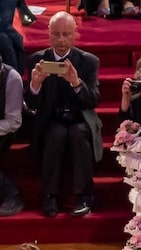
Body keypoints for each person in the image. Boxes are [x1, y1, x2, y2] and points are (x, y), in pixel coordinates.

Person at [24, 13, 103, 217]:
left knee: (78, 134)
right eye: (56, 35)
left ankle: (84, 196)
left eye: (66, 34)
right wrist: (35, 84)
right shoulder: (37, 60)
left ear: (75, 34)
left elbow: (93, 101)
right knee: (55, 134)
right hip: (51, 120)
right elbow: (31, 105)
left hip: (80, 118)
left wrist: (76, 83)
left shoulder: (88, 62)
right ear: (49, 35)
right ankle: (50, 195)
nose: (61, 40)